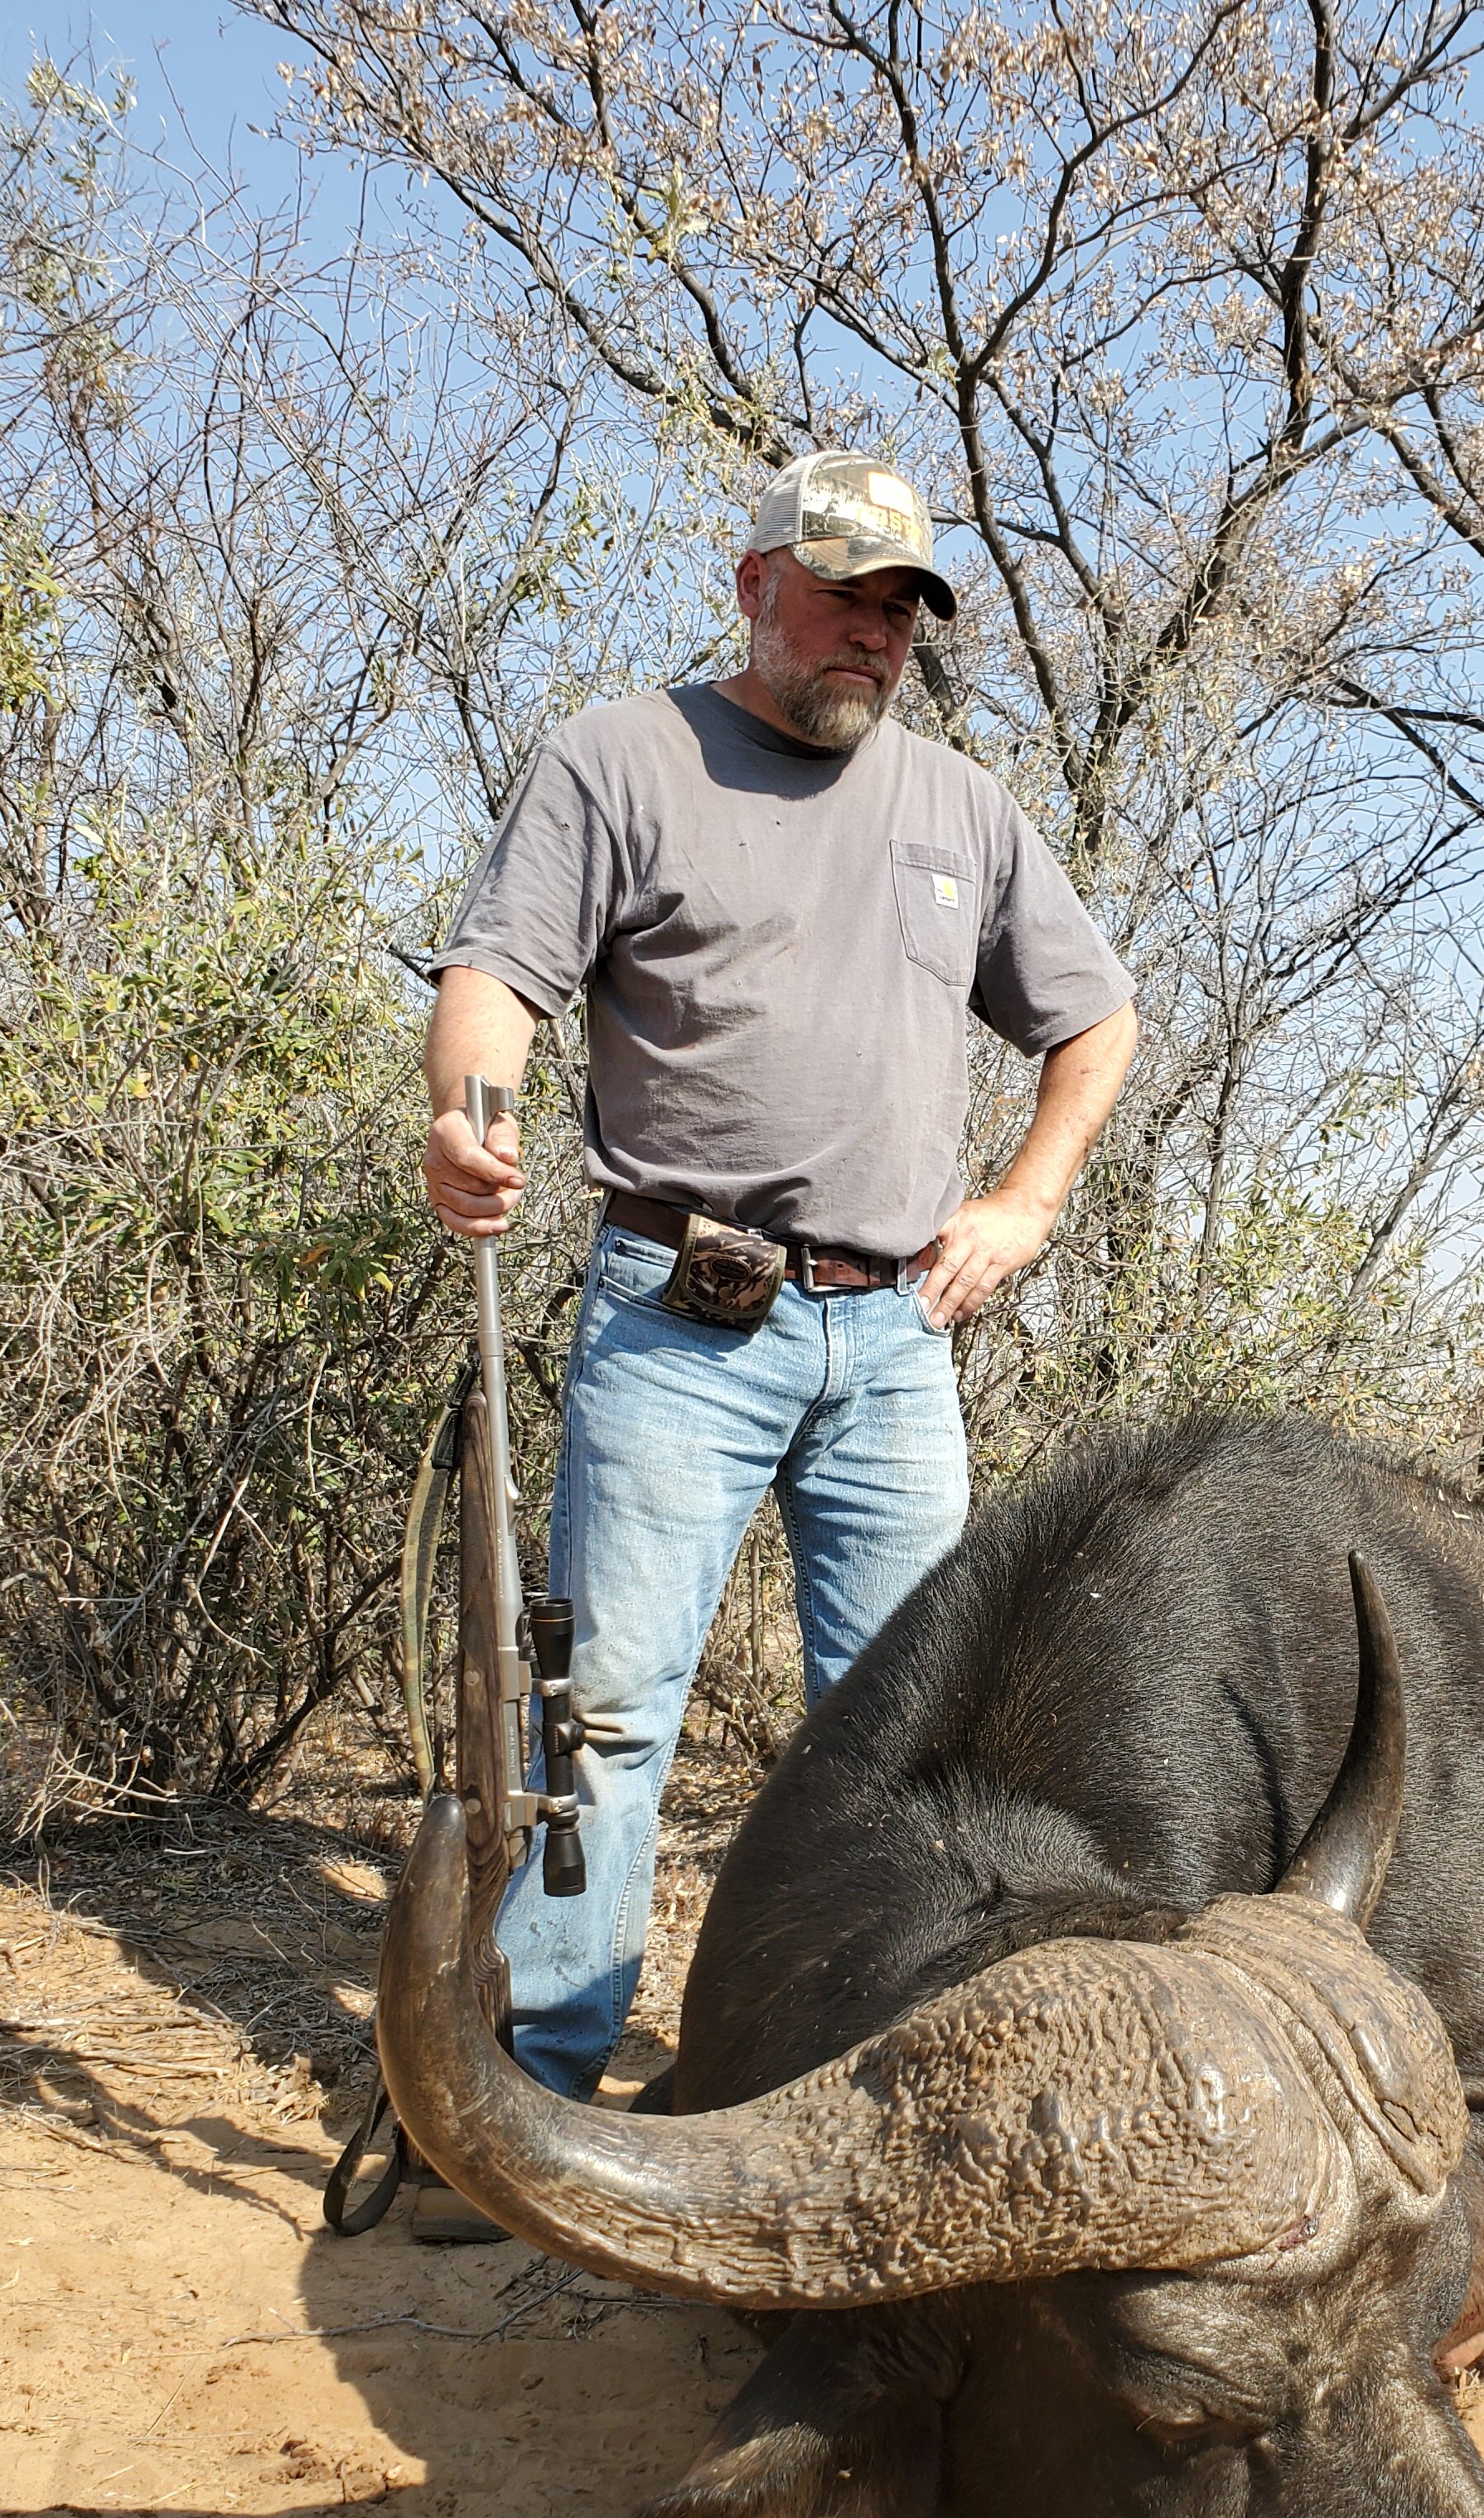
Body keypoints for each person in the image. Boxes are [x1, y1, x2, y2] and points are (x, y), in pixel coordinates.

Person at [420, 451, 1138, 2105]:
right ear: (753, 587)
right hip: (682, 1317)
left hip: (896, 1336)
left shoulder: (965, 809)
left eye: (903, 610)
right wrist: (468, 1125)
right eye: (843, 596)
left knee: (912, 1739)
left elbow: (1093, 1023)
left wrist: (1024, 1203)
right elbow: (495, 982)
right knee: (604, 1711)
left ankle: (870, 2070)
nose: (874, 636)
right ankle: (540, 2083)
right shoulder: (623, 759)